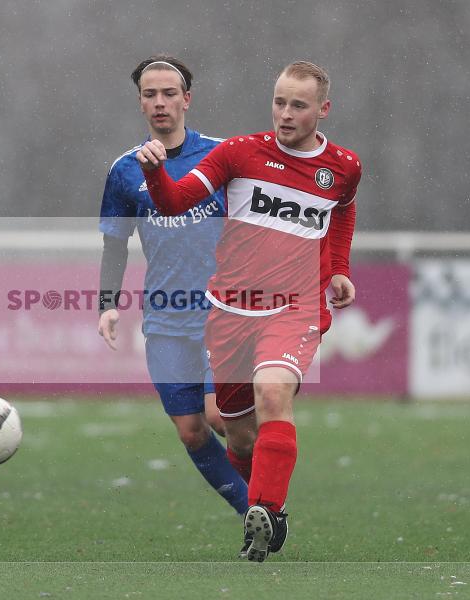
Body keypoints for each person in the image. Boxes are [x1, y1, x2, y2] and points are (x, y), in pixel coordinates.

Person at [135, 60, 361, 561]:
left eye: (298, 105)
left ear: (323, 110)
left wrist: (339, 267)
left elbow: (342, 208)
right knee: (238, 433)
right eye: (279, 102)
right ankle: (261, 501)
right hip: (231, 310)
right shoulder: (237, 153)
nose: (285, 114)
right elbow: (174, 203)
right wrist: (155, 174)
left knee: (273, 392)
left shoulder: (343, 166)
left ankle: (267, 514)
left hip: (297, 305)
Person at [98, 55, 249, 515]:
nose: (160, 103)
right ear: (140, 104)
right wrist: (107, 304)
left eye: (169, 94)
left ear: (187, 99)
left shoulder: (223, 156)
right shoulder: (125, 170)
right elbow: (115, 245)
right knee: (190, 431)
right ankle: (254, 513)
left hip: (220, 312)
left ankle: (266, 501)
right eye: (150, 95)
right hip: (163, 320)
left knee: (220, 416)